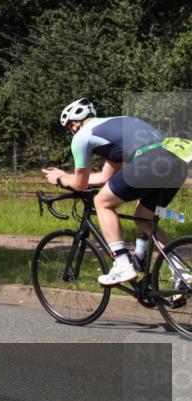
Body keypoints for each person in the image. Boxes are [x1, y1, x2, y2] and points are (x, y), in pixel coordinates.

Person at [43, 98, 191, 290]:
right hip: (177, 159)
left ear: (75, 124)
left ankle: (122, 263)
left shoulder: (81, 136)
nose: (71, 131)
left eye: (70, 127)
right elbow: (105, 177)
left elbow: (80, 184)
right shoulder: (119, 122)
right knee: (144, 218)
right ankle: (181, 273)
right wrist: (68, 177)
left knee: (102, 202)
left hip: (149, 160)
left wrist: (60, 179)